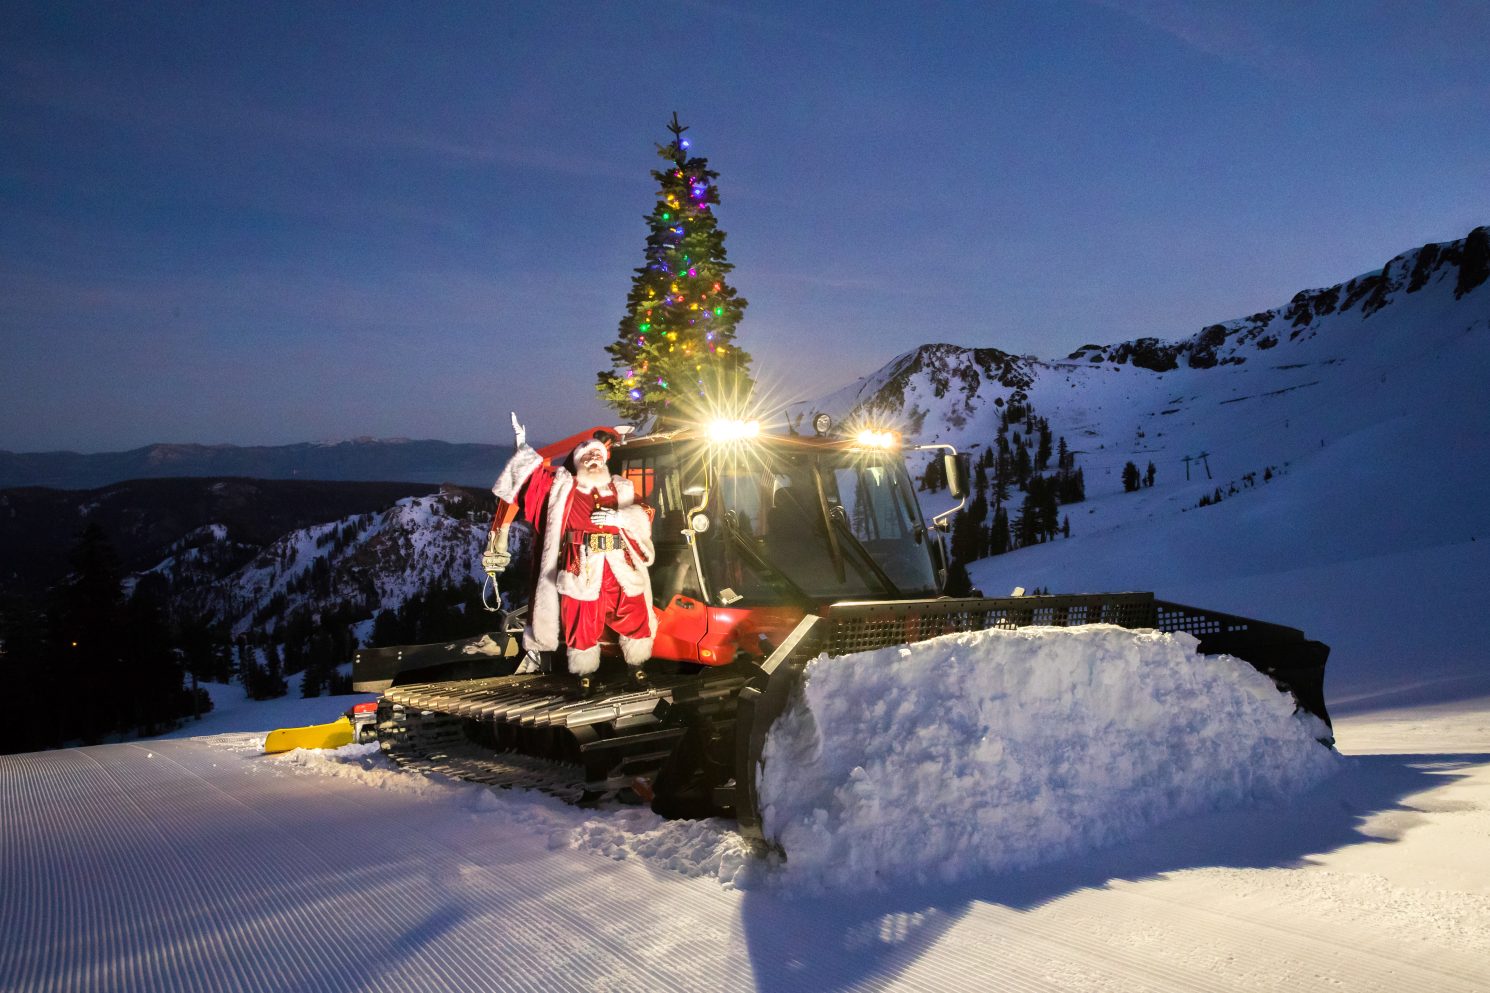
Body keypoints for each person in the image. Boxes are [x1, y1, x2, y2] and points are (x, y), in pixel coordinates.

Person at [490, 413, 656, 678]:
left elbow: (644, 513)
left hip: (618, 564)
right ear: (578, 462)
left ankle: (636, 666)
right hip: (582, 564)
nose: (593, 459)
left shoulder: (622, 488)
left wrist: (620, 517)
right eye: (586, 456)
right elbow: (532, 483)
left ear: (604, 460)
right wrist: (521, 446)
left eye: (597, 455)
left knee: (632, 611)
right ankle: (585, 674)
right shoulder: (562, 489)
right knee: (582, 618)